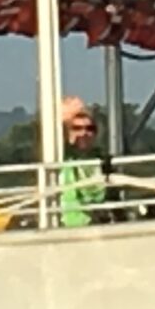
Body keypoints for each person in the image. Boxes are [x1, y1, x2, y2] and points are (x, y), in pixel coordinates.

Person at [55, 95, 110, 227]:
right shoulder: (61, 155)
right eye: (77, 128)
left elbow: (101, 193)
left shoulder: (102, 160)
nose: (84, 133)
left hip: (94, 224)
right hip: (65, 225)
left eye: (89, 129)